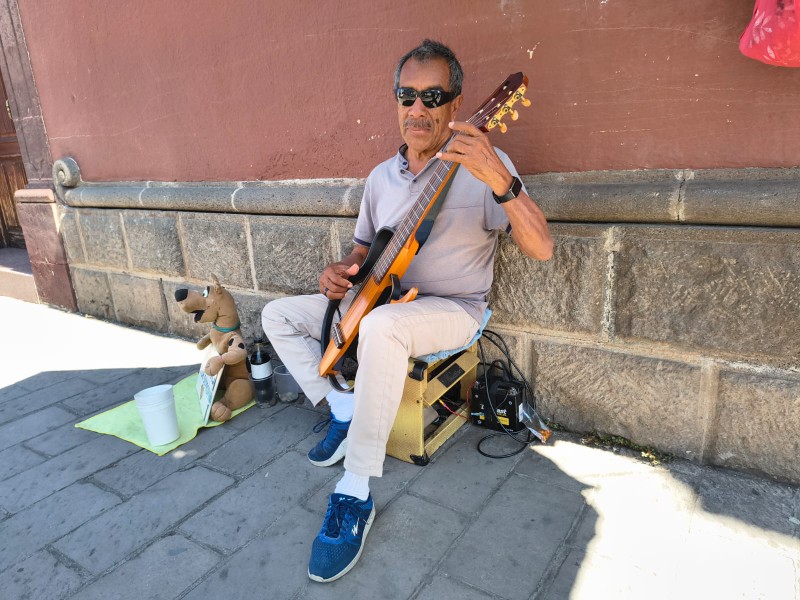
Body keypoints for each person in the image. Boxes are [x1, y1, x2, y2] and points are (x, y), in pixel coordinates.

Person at [261, 39, 553, 583]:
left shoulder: (486, 164)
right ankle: (343, 411)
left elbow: (542, 248)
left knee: (381, 327)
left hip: (453, 308)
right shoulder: (380, 178)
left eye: (433, 96)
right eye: (407, 95)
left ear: (457, 104)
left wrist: (501, 180)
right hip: (379, 296)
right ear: (396, 101)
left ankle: (355, 492)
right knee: (277, 315)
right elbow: (363, 246)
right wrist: (339, 272)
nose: (418, 109)